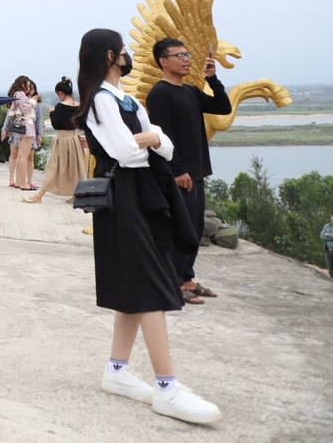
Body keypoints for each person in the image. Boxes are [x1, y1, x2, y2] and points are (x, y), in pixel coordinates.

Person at [75, 27, 218, 424]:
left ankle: (117, 371)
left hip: (143, 193)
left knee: (137, 286)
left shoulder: (126, 99)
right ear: (110, 55)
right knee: (152, 286)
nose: (128, 54)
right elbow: (125, 152)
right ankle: (167, 388)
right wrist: (151, 138)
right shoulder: (100, 99)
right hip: (123, 196)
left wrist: (150, 139)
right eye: (122, 49)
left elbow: (164, 147)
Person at [144, 38, 232, 305]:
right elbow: (162, 135)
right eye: (179, 55)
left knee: (193, 228)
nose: (186, 60)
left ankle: (186, 278)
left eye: (187, 55)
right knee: (177, 230)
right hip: (178, 174)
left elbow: (223, 107)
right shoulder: (160, 94)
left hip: (197, 171)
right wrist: (178, 170)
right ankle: (171, 282)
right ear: (163, 61)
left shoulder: (191, 91)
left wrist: (212, 78)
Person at [24, 77, 87, 204]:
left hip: (63, 140)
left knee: (53, 168)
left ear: (60, 93)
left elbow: (56, 125)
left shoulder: (60, 107)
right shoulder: (79, 105)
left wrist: (53, 113)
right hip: (75, 139)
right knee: (76, 169)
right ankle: (77, 195)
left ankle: (38, 196)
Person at [6, 75, 38, 190]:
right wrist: (33, 101)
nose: (29, 88)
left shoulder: (15, 94)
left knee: (20, 155)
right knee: (24, 155)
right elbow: (25, 109)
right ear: (23, 84)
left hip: (20, 125)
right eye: (28, 85)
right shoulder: (21, 94)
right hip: (27, 125)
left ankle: (19, 181)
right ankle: (24, 183)